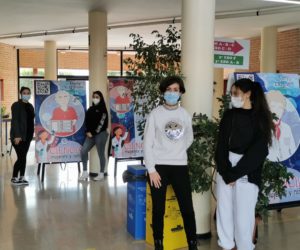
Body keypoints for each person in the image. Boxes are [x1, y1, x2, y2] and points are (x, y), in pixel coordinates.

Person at [215, 78, 274, 250]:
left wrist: (234, 174)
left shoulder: (260, 119)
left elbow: (258, 152)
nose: (233, 97)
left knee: (243, 216)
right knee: (224, 211)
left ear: (248, 94)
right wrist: (226, 173)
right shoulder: (229, 115)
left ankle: (244, 246)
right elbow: (221, 146)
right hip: (226, 168)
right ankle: (226, 245)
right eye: (232, 93)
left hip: (247, 171)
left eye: (236, 93)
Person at [144, 76, 198, 250]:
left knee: (187, 209)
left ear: (181, 93)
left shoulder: (184, 114)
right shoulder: (155, 114)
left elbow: (189, 137)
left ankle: (192, 244)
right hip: (158, 168)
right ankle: (159, 243)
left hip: (180, 166)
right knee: (158, 209)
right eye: (169, 89)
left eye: (176, 90)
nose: (172, 93)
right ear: (163, 92)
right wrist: (151, 169)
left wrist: (179, 150)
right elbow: (147, 143)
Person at [78, 91, 109, 181]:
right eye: (94, 96)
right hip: (90, 134)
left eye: (97, 97)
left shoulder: (103, 109)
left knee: (101, 153)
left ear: (101, 98)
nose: (95, 98)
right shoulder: (90, 109)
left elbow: (102, 123)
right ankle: (84, 172)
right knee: (83, 151)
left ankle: (101, 173)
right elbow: (86, 121)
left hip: (101, 134)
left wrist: (93, 133)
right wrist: (87, 131)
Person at [10, 87, 35, 186]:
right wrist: (17, 135)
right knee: (21, 157)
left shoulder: (30, 106)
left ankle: (22, 177)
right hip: (18, 136)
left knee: (23, 156)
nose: (26, 94)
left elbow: (30, 120)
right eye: (24, 93)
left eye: (28, 93)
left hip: (28, 136)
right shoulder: (16, 105)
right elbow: (15, 120)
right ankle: (14, 177)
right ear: (21, 94)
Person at [266, 90, 297, 162]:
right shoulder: (261, 128)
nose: (277, 110)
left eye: (280, 107)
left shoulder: (287, 128)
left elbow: (292, 150)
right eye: (273, 106)